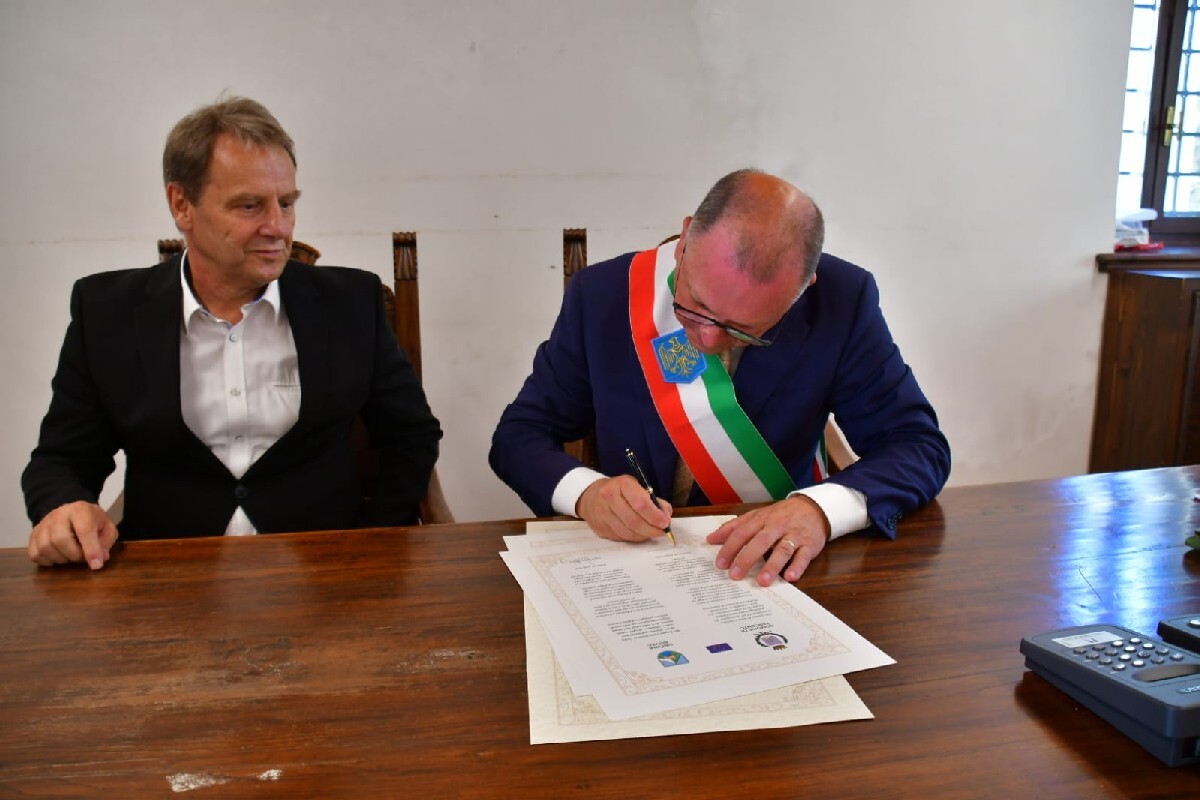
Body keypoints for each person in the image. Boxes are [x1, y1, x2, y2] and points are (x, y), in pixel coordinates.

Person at [22, 97, 442, 569]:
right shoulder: (107, 313)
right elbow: (61, 459)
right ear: (182, 205)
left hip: (326, 575)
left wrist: (371, 541)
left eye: (286, 203)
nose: (277, 227)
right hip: (166, 579)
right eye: (249, 206)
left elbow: (411, 435)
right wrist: (64, 508)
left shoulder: (350, 304)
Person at [490, 169, 950, 586]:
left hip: (775, 569)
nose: (708, 339)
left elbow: (918, 445)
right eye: (695, 305)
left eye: (743, 330)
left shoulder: (841, 299)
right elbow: (518, 437)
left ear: (802, 288)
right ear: (685, 239)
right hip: (634, 567)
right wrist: (585, 493)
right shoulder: (603, 295)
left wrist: (821, 510)